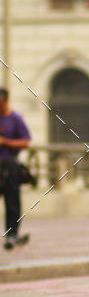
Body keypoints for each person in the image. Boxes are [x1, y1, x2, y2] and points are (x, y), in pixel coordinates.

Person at [0, 88, 31, 250]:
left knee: (12, 202)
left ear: (6, 101)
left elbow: (25, 142)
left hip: (9, 164)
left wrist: (5, 142)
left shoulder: (15, 119)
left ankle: (12, 234)